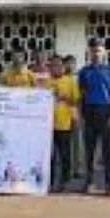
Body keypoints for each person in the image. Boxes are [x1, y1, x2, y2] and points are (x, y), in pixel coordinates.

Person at [77, 40, 110, 197]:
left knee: (109, 151)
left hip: (106, 111)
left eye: (99, 51)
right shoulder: (84, 72)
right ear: (89, 53)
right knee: (89, 150)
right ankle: (89, 182)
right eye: (94, 51)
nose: (96, 54)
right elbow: (81, 96)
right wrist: (80, 115)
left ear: (104, 53)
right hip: (89, 112)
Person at [44, 55, 80, 192]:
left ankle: (64, 181)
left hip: (64, 123)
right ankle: (49, 182)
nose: (56, 68)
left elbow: (76, 101)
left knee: (65, 155)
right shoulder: (45, 81)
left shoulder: (70, 81)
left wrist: (64, 97)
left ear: (63, 67)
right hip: (47, 125)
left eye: (59, 65)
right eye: (53, 65)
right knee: (49, 156)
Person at [63, 55, 84, 179]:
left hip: (77, 112)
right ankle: (68, 168)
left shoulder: (79, 78)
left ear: (75, 65)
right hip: (63, 113)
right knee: (66, 142)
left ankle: (78, 168)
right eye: (67, 63)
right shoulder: (61, 78)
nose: (70, 66)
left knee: (78, 141)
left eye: (72, 63)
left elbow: (82, 95)